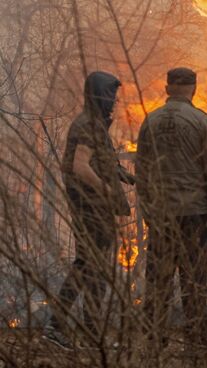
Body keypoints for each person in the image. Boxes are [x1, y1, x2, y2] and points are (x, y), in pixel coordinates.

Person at [135, 67, 207, 349]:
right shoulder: (203, 121)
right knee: (194, 278)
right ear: (194, 89)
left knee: (159, 278)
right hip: (195, 213)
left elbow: (142, 170)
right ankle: (197, 339)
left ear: (167, 88)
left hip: (162, 213)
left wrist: (149, 209)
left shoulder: (150, 122)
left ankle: (154, 336)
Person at [44, 71, 134, 350]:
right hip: (90, 207)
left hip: (95, 208)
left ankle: (93, 332)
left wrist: (121, 174)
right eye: (111, 96)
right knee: (86, 265)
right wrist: (106, 190)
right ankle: (56, 325)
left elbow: (96, 160)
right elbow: (79, 166)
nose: (114, 102)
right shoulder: (87, 125)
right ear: (99, 95)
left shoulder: (94, 124)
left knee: (93, 267)